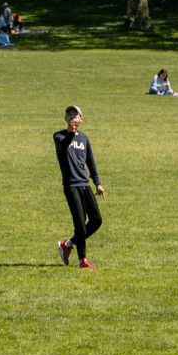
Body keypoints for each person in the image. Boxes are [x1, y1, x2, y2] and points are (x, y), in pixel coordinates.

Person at [55, 105, 104, 269]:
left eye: (75, 116)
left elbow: (90, 160)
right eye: (68, 115)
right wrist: (71, 132)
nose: (71, 118)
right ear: (65, 119)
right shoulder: (59, 136)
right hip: (71, 185)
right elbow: (64, 145)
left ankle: (67, 244)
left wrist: (97, 182)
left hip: (85, 184)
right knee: (80, 223)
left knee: (96, 220)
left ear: (81, 119)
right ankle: (82, 260)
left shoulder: (84, 138)